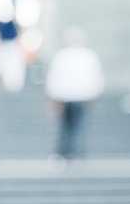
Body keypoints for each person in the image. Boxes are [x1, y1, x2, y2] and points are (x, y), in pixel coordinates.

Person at [44, 27, 104, 160]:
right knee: (79, 125)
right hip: (82, 96)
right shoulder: (89, 56)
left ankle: (64, 152)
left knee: (65, 125)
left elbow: (54, 78)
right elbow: (95, 77)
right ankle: (76, 152)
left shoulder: (61, 56)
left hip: (64, 96)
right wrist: (95, 94)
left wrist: (53, 98)